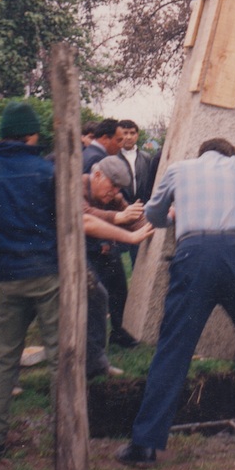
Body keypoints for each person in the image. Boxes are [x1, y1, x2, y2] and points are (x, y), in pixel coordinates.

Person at [115, 138, 235, 466]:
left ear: (201, 153)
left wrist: (174, 215)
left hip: (193, 257)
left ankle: (146, 445)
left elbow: (154, 213)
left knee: (173, 348)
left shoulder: (179, 170)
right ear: (231, 155)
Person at [0, 101, 59, 460]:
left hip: (6, 277)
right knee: (61, 357)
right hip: (46, 273)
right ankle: (66, 432)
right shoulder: (46, 172)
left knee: (3, 359)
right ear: (32, 134)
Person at [82, 160, 154, 377]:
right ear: (96, 175)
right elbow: (83, 215)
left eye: (118, 189)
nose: (114, 193)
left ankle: (96, 360)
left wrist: (161, 218)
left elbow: (135, 221)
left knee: (111, 293)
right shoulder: (75, 185)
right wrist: (117, 217)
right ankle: (91, 363)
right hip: (67, 253)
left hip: (99, 250)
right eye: (111, 186)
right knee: (96, 298)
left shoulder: (113, 195)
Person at [117, 119, 152, 268]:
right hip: (120, 211)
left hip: (141, 211)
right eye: (125, 133)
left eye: (132, 133)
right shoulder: (114, 157)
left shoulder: (146, 157)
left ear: (137, 135)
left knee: (139, 257)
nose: (129, 137)